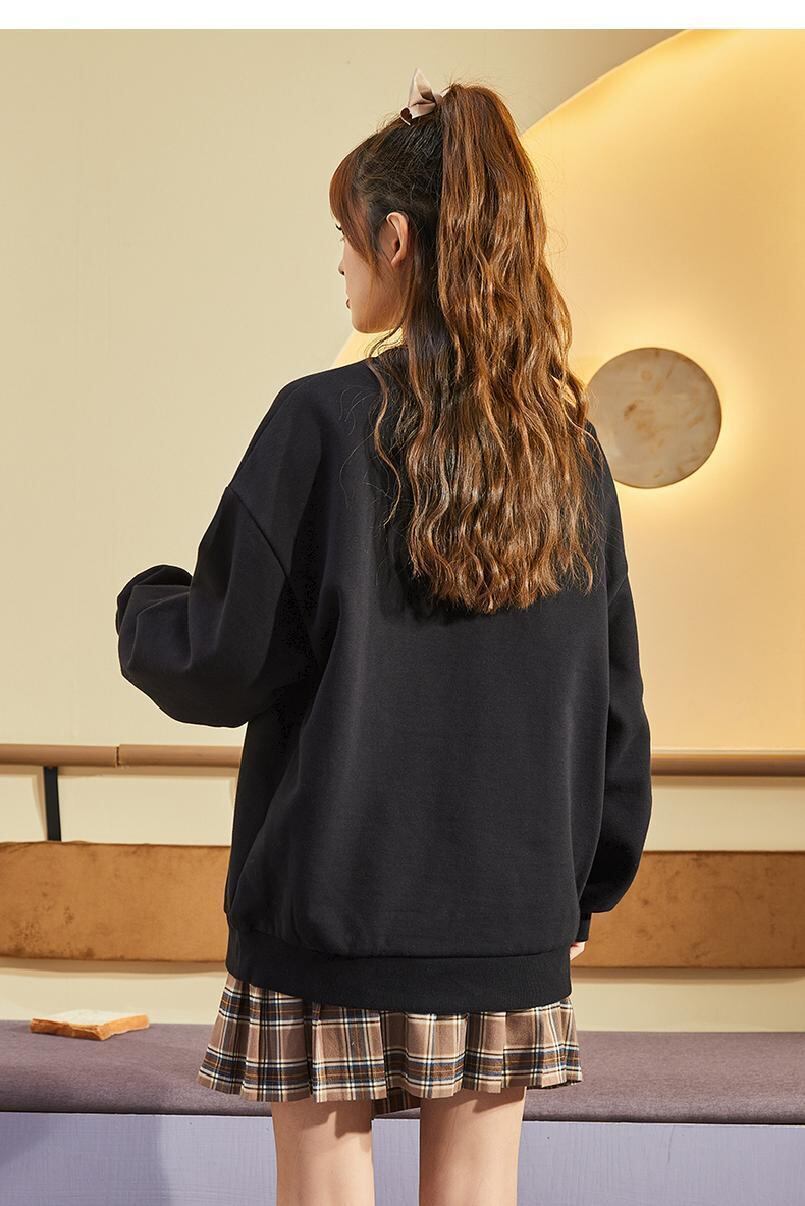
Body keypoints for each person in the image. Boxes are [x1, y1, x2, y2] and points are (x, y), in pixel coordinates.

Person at [116, 65, 652, 1206]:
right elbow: (614, 699)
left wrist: (143, 602)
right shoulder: (567, 449)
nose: (341, 265)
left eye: (346, 239)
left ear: (395, 240)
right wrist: (581, 891)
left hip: (332, 909)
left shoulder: (321, 418)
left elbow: (221, 659)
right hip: (510, 913)